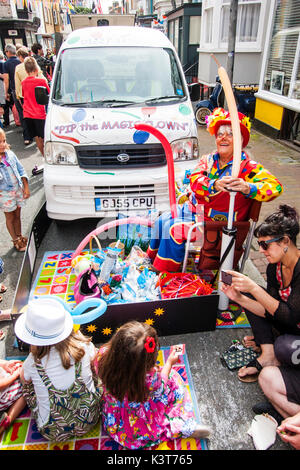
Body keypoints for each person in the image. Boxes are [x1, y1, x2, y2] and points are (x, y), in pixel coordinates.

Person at [147, 107, 283, 272]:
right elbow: (195, 179)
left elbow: (275, 187)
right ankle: (151, 261)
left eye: (230, 134)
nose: (224, 138)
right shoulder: (209, 160)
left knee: (173, 229)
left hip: (215, 226)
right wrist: (214, 184)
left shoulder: (248, 168)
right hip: (196, 211)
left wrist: (249, 187)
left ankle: (167, 274)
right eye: (220, 134)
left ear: (241, 140)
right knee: (162, 221)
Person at [95, 320, 211, 449]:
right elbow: (162, 387)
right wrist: (169, 363)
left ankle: (184, 428)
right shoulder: (150, 379)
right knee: (172, 378)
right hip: (140, 415)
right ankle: (183, 428)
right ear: (146, 363)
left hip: (116, 416)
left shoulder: (101, 356)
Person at [220, 204, 300, 384]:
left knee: (284, 348)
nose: (262, 251)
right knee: (249, 294)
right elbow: (269, 310)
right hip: (285, 325)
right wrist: (238, 298)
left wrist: (254, 288)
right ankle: (268, 354)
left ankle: (274, 348)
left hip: (293, 327)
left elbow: (289, 317)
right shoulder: (275, 268)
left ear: (285, 241)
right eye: (260, 245)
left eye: (265, 245)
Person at [14, 296, 102, 442]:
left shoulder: (32, 362)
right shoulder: (83, 347)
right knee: (93, 370)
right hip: (89, 419)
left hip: (52, 431)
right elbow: (96, 359)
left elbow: (24, 379)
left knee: (27, 385)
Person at [0, 128, 30, 251]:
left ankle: (20, 236)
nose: (2, 144)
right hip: (4, 194)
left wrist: (26, 187)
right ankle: (15, 240)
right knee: (10, 217)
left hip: (17, 189)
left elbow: (21, 170)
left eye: (4, 141)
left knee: (17, 214)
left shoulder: (10, 154)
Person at [14, 47, 43, 146]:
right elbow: (44, 82)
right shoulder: (36, 68)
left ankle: (27, 137)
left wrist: (18, 96)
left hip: (25, 98)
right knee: (42, 130)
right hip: (39, 98)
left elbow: (18, 85)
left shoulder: (18, 68)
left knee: (25, 118)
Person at [22, 57, 50, 157]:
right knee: (46, 137)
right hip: (39, 113)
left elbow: (24, 95)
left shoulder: (24, 82)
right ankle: (48, 157)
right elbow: (48, 94)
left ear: (26, 70)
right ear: (37, 68)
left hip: (28, 113)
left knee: (37, 138)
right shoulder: (41, 81)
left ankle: (43, 156)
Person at [0, 358, 26, 437]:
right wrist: (14, 376)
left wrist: (5, 364)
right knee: (27, 390)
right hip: (3, 393)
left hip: (5, 379)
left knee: (20, 366)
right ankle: (7, 420)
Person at [2, 45, 20, 127]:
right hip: (22, 87)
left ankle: (21, 125)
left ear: (8, 52)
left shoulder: (6, 64)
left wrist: (6, 93)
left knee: (18, 108)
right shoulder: (20, 60)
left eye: (5, 51)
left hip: (14, 88)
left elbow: (6, 80)